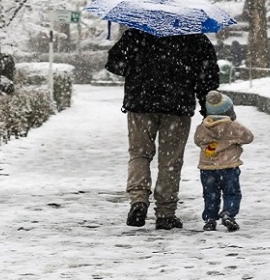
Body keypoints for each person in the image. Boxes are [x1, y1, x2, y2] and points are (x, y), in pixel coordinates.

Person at [105, 28, 220, 230]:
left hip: (140, 103)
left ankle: (138, 199)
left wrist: (137, 70)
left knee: (139, 154)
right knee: (171, 160)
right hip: (177, 106)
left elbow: (114, 63)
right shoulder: (194, 37)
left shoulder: (136, 33)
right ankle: (166, 213)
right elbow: (208, 76)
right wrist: (206, 106)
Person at [193, 91, 253, 232]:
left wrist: (212, 145)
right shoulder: (234, 127)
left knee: (210, 194)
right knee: (231, 193)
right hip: (229, 166)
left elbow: (197, 141)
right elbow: (249, 137)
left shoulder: (202, 127)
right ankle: (228, 214)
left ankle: (210, 218)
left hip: (207, 168)